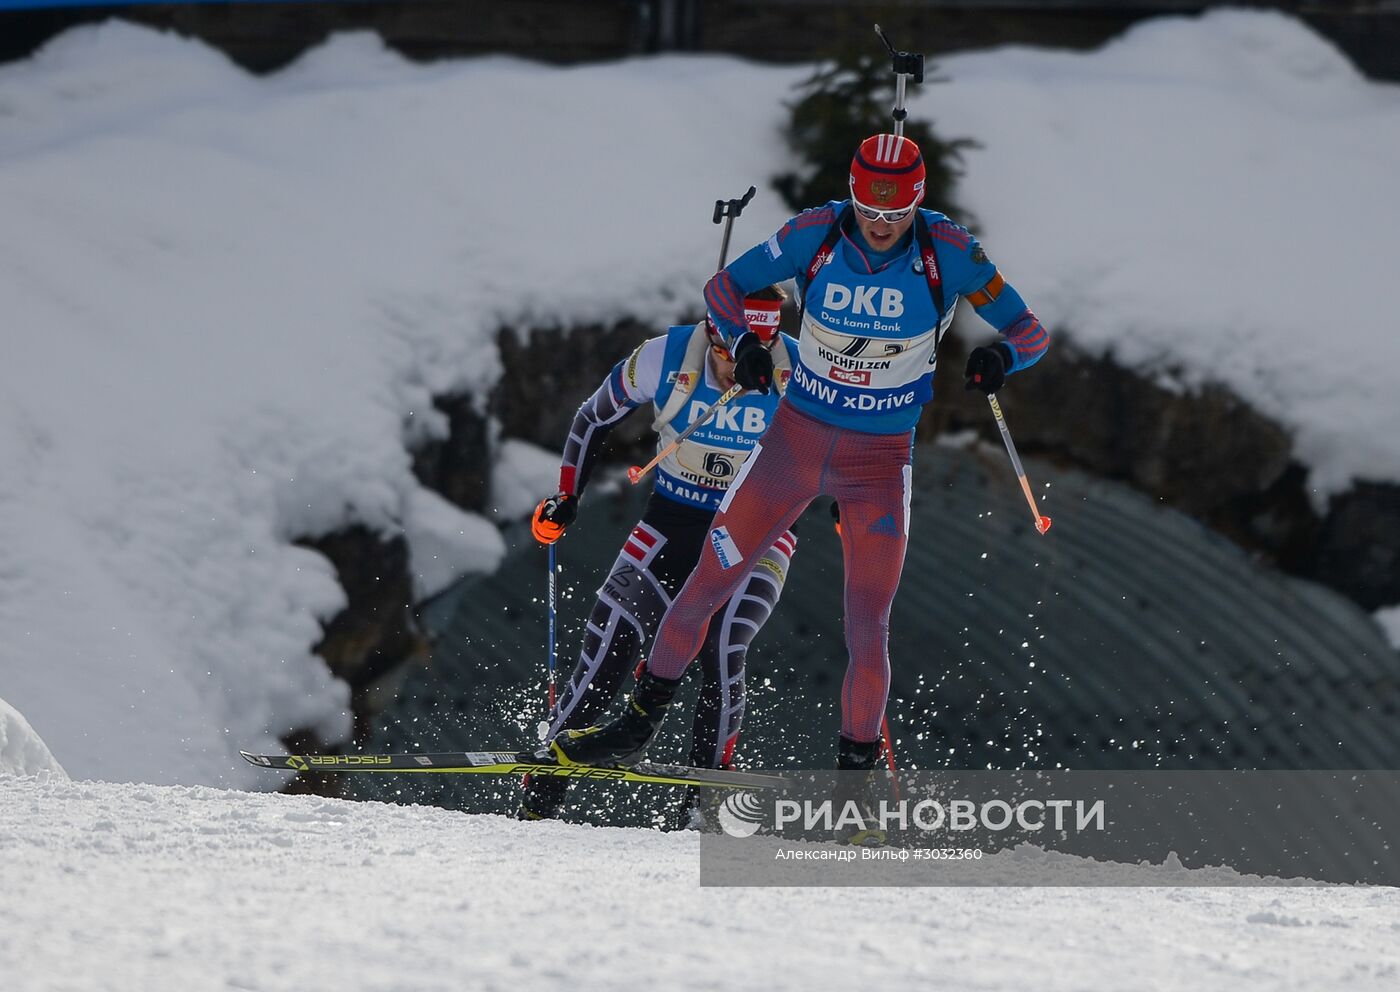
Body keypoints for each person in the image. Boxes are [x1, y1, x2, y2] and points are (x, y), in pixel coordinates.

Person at [552, 133, 1051, 842]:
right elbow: (724, 290)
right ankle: (636, 727)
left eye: (899, 210)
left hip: (879, 462)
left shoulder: (949, 251)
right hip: (794, 444)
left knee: (867, 624)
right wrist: (750, 344)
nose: (881, 224)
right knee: (703, 587)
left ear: (918, 201)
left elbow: (1031, 334)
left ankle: (855, 795)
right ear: (851, 195)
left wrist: (1001, 356)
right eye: (869, 209)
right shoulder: (814, 233)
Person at [520, 285, 800, 823]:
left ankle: (703, 805)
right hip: (672, 520)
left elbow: (850, 436)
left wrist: (851, 506)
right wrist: (567, 496)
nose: (742, 370)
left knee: (723, 643)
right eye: (733, 354)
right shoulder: (665, 357)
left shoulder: (799, 367)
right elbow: (592, 418)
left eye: (757, 355)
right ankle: (544, 787)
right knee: (612, 637)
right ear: (717, 335)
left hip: (760, 530)